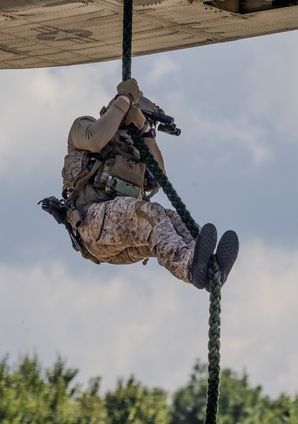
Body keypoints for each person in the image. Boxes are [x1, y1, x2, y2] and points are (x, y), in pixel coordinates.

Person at [60, 78, 238, 289]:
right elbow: (95, 139)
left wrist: (145, 132)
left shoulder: (136, 154)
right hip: (90, 229)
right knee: (149, 214)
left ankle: (204, 269)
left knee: (174, 220)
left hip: (122, 243)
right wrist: (125, 99)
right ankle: (189, 267)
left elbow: (158, 177)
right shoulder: (84, 127)